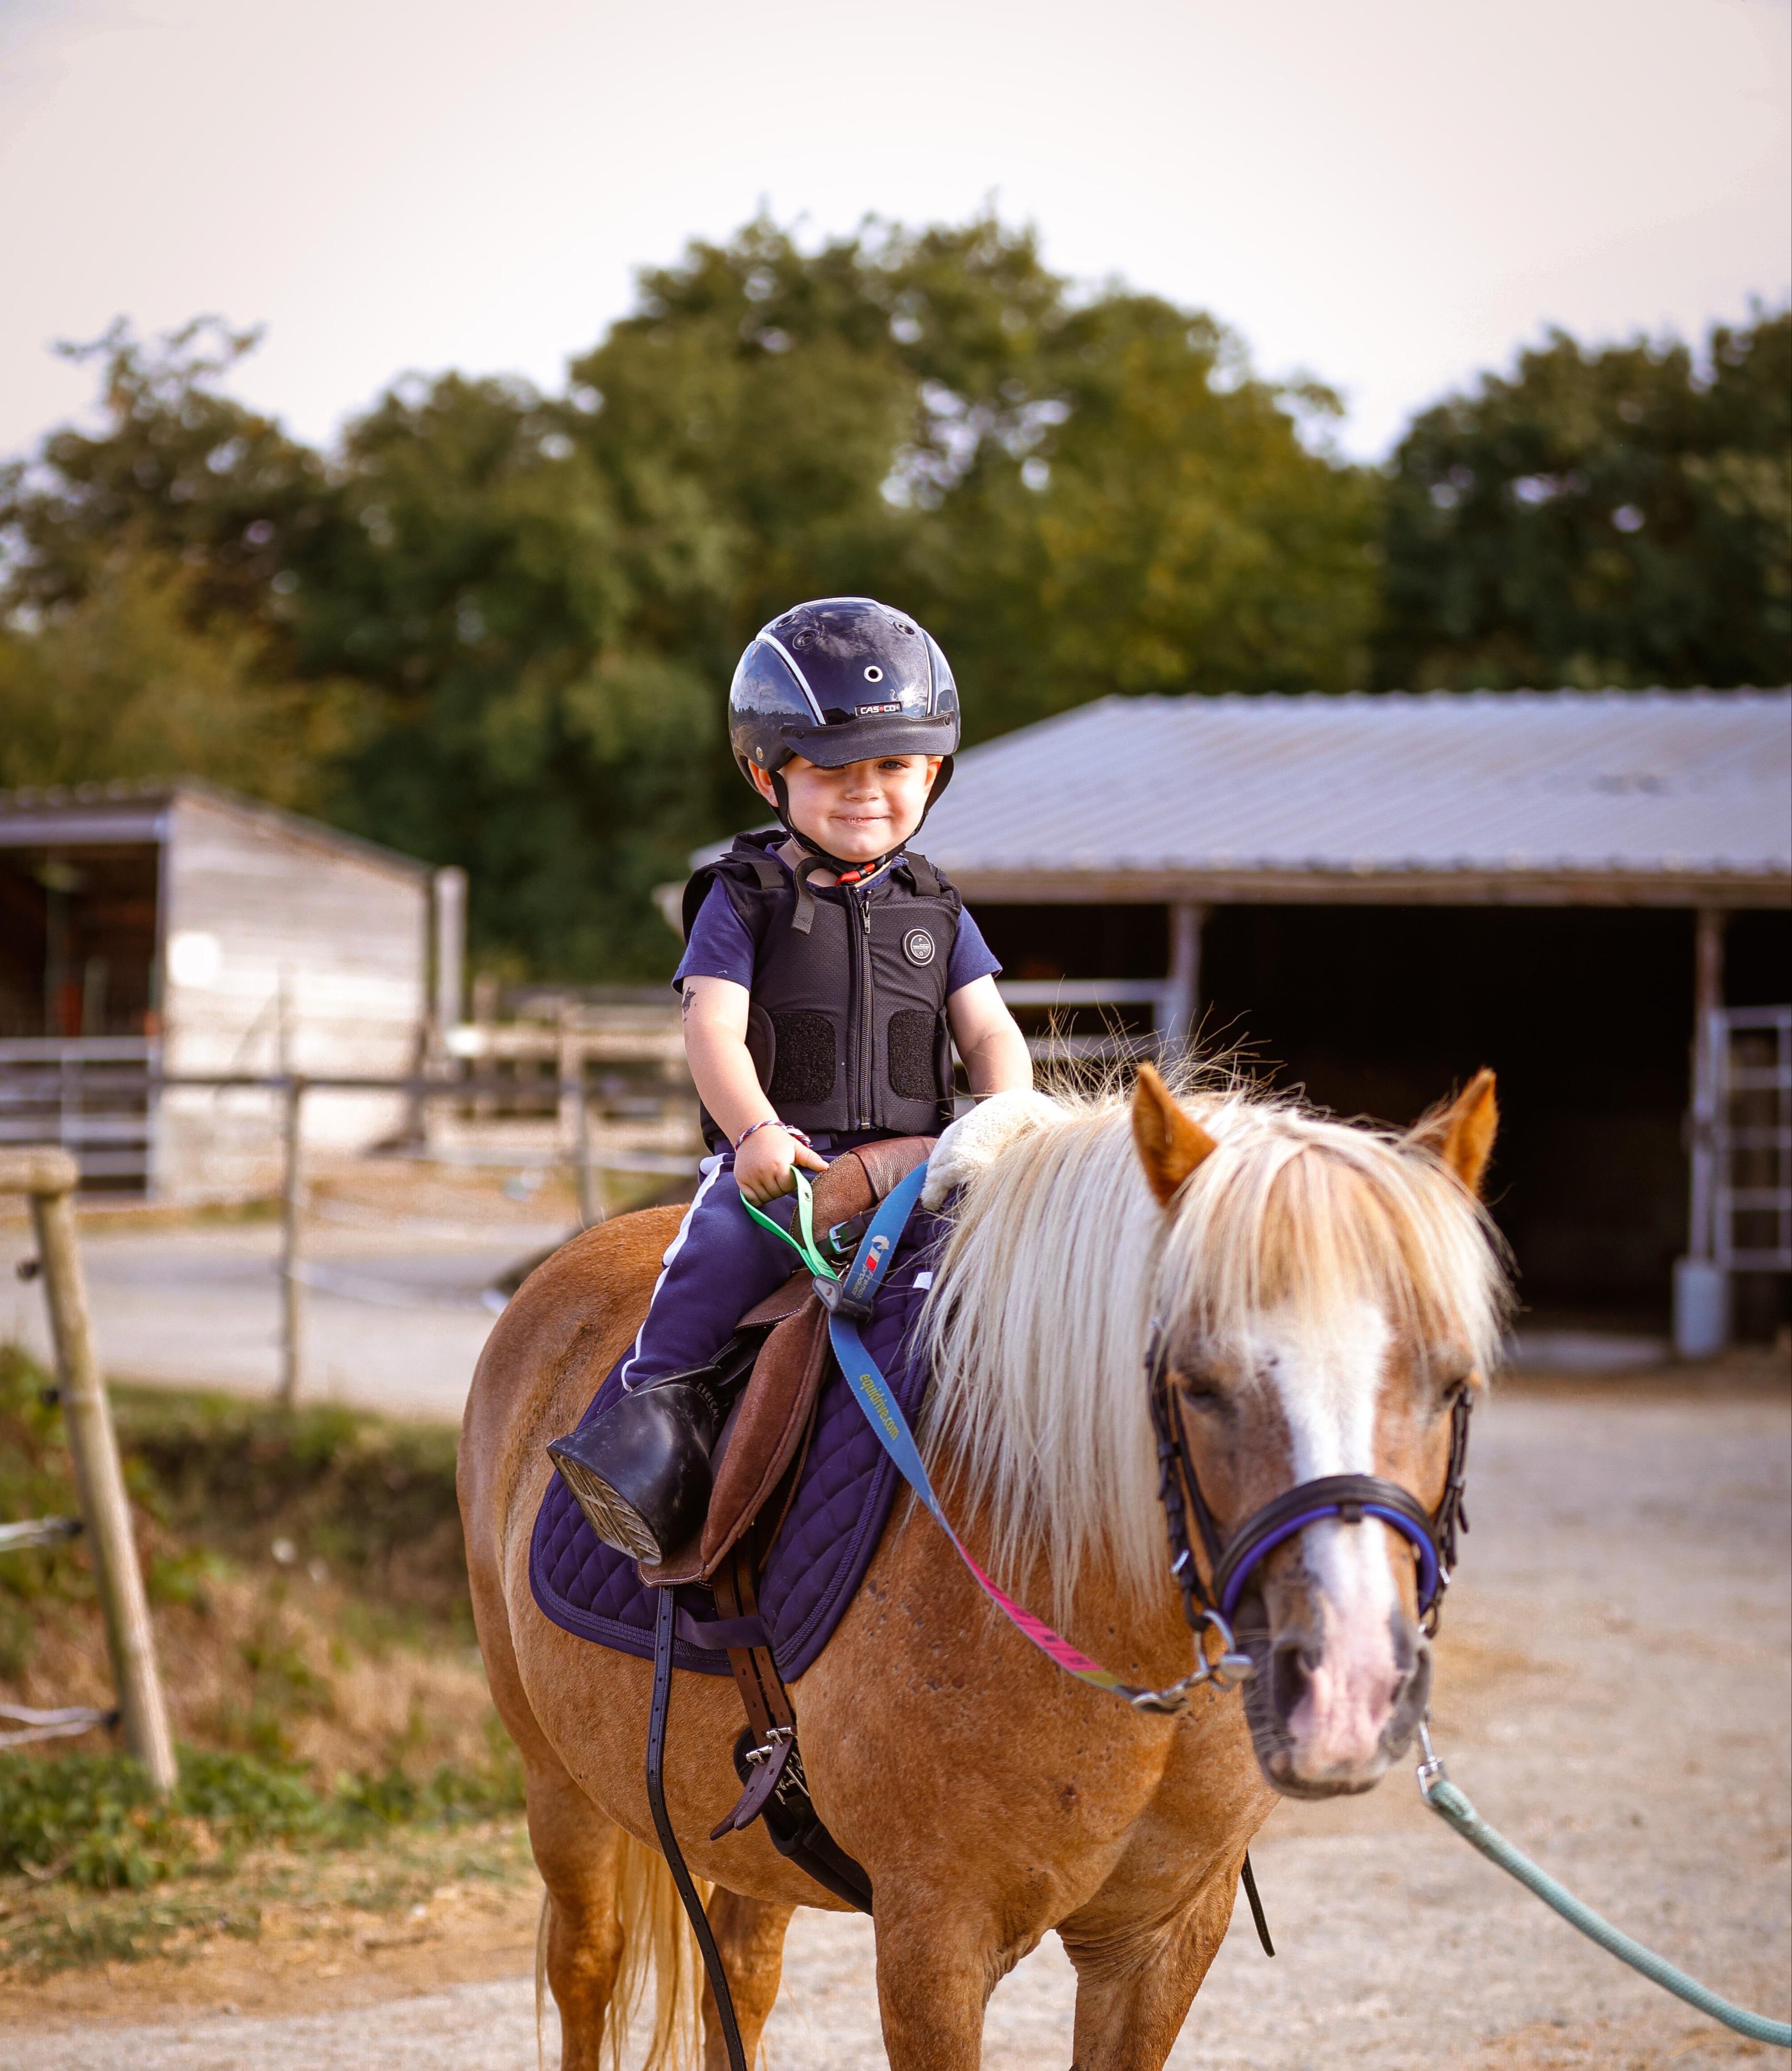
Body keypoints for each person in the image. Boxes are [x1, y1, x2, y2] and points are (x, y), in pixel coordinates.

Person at [548, 597, 1033, 1563]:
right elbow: (713, 1031)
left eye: (894, 766)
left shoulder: (936, 906)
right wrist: (755, 1135)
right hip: (791, 1172)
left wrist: (1017, 1119)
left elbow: (988, 1030)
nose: (866, 792)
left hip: (922, 1166)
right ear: (767, 773)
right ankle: (653, 1422)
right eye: (832, 769)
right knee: (717, 1249)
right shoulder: (744, 897)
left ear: (932, 772)